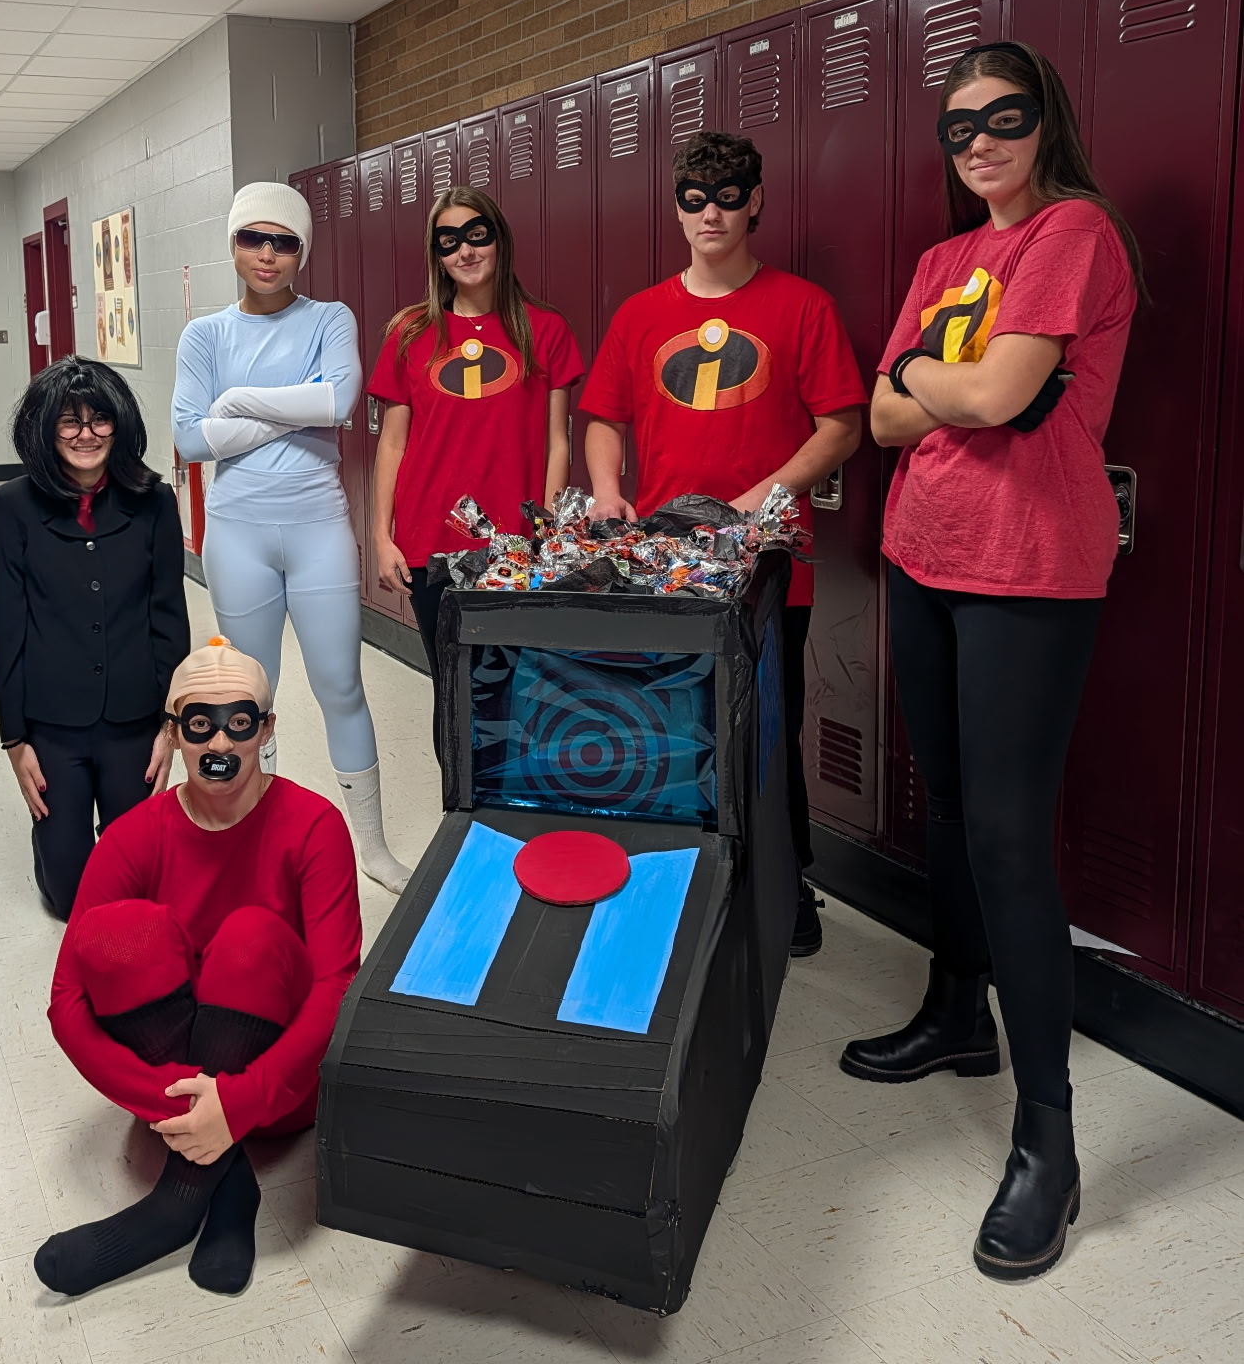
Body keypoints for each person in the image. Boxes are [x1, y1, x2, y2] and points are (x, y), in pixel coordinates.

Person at [850, 39, 1140, 1282]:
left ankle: (1047, 1140)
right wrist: (940, 381)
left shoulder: (1072, 232)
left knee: (1014, 836)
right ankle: (956, 1009)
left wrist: (939, 384)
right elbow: (888, 414)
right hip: (923, 552)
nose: (978, 142)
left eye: (1002, 117)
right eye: (957, 126)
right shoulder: (941, 258)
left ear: (1045, 121)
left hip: (1028, 567)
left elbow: (1006, 397)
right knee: (954, 806)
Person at [581, 131, 866, 956]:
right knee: (676, 720)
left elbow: (842, 424)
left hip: (767, 561)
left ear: (758, 201)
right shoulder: (641, 314)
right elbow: (602, 417)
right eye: (695, 196)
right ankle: (689, 870)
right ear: (676, 207)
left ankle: (790, 882)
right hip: (666, 563)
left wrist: (758, 502)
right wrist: (607, 490)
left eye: (729, 193)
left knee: (771, 727)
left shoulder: (801, 306)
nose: (712, 211)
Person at [34, 637, 361, 1297]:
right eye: (199, 723)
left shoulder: (314, 826)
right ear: (173, 735)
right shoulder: (132, 836)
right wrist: (185, 1102)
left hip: (278, 1091)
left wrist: (239, 1102)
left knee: (249, 937)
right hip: (173, 1096)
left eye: (240, 723)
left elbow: (337, 987)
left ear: (265, 730)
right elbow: (66, 1000)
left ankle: (177, 1205)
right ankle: (225, 1181)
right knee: (120, 933)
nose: (221, 743)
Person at [171, 181, 410, 892]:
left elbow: (338, 401)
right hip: (237, 533)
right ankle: (257, 841)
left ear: (302, 250)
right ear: (234, 244)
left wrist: (237, 402)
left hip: (317, 528)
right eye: (253, 238)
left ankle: (371, 846)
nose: (268, 254)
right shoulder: (206, 334)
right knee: (250, 695)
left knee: (341, 684)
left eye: (284, 241)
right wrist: (296, 407)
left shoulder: (329, 317)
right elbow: (188, 437)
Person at [368, 186, 585, 746]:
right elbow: (392, 444)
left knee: (517, 688)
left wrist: (548, 534)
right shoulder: (411, 332)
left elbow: (557, 442)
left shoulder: (545, 330)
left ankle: (512, 815)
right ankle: (461, 820)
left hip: (514, 544)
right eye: (448, 242)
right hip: (428, 543)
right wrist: (380, 536)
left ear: (498, 240)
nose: (464, 252)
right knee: (454, 691)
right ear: (436, 255)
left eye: (475, 235)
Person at [0, 358, 190, 920]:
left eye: (100, 420)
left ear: (119, 426)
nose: (86, 435)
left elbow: (169, 617)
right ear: (45, 430)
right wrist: (15, 741)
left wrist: (170, 725)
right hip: (53, 725)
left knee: (136, 888)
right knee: (71, 898)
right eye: (68, 423)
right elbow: (6, 628)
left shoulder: (152, 501)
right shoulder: (11, 506)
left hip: (132, 718)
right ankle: (54, 844)